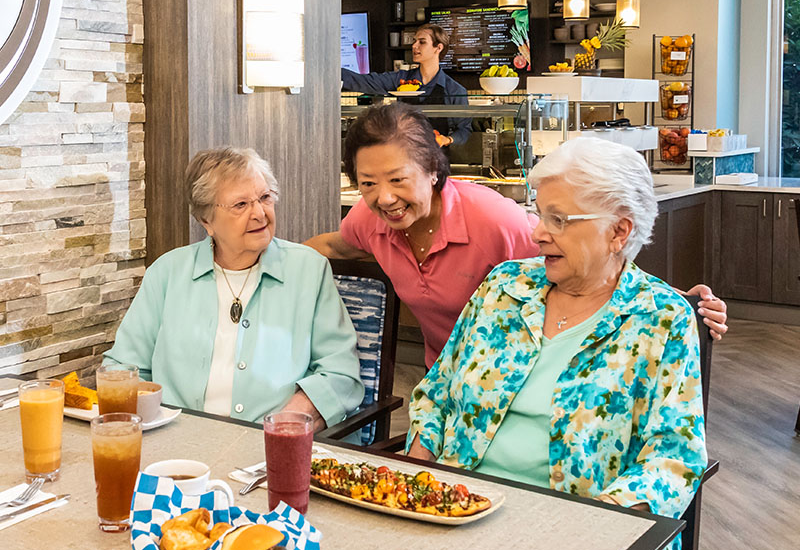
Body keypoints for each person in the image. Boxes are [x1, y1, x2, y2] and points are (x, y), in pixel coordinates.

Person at [406, 137, 707, 550]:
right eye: (539, 215)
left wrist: (592, 530)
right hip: (457, 515)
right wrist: (416, 475)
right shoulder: (504, 285)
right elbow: (437, 393)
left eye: (559, 221)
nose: (538, 234)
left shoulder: (660, 318)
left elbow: (675, 456)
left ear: (618, 232)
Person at [306, 104, 728, 368]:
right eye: (366, 184)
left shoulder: (493, 219)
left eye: (398, 179)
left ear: (434, 170)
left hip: (520, 372)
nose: (384, 198)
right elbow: (333, 247)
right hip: (448, 379)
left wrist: (680, 302)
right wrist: (260, 258)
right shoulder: (370, 218)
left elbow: (593, 264)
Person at [105, 147, 364, 430]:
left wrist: (286, 425)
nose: (259, 214)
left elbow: (340, 373)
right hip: (177, 444)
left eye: (265, 198)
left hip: (272, 443)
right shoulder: (167, 273)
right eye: (240, 205)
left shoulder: (309, 271)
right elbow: (122, 368)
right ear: (206, 221)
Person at [341, 24, 471, 148]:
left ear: (439, 48)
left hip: (438, 160)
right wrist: (331, 70)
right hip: (403, 157)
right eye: (414, 41)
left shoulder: (455, 90)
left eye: (422, 42)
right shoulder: (401, 79)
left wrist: (446, 139)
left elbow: (465, 130)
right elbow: (363, 81)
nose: (414, 46)